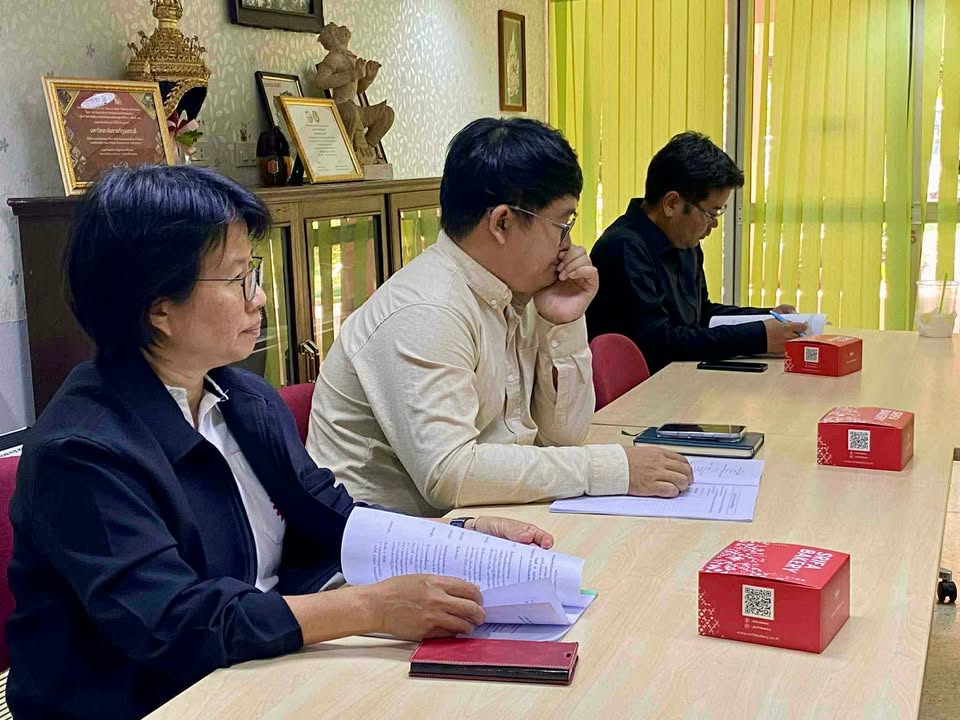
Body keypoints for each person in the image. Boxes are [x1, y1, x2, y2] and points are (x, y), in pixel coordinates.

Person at [6, 165, 553, 720]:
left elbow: (333, 517)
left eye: (255, 272)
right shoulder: (82, 452)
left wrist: (458, 535)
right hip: (153, 699)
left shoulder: (241, 399)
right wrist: (371, 607)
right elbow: (176, 622)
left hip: (259, 670)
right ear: (159, 308)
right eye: (238, 278)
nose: (260, 297)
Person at [306, 118, 693, 517]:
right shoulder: (428, 309)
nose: (568, 244)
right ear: (502, 223)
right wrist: (609, 469)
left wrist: (563, 323)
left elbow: (564, 436)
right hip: (386, 541)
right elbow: (450, 475)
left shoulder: (519, 288)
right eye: (563, 224)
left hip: (480, 519)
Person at [586, 131, 805, 375]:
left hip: (680, 378)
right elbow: (660, 342)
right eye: (711, 213)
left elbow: (702, 314)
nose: (714, 224)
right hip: (644, 389)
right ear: (671, 203)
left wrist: (767, 317)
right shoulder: (623, 248)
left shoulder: (683, 241)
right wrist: (758, 337)